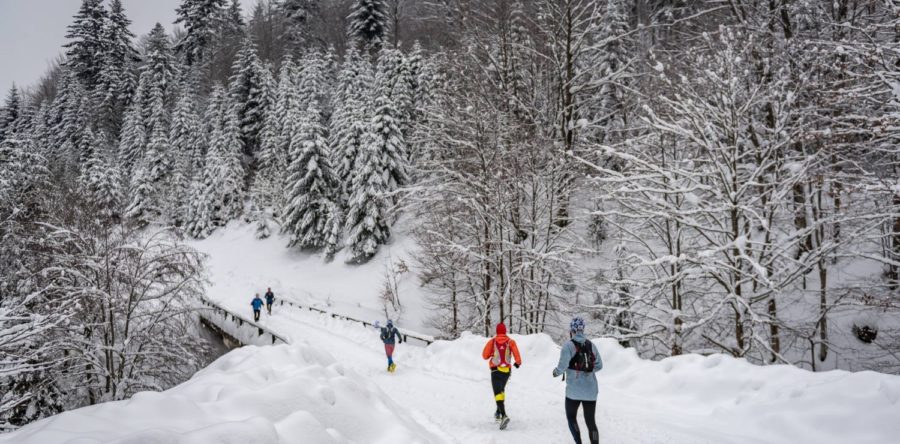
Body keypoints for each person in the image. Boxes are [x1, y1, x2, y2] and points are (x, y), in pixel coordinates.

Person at [552, 317, 603, 444]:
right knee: (591, 422)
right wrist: (588, 372)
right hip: (591, 390)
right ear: (582, 329)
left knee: (571, 417)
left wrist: (556, 372)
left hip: (573, 391)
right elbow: (599, 365)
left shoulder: (568, 346)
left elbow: (562, 366)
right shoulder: (591, 345)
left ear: (572, 330)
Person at [481, 322, 521, 429]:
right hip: (506, 371)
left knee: (497, 393)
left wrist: (491, 354)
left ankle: (503, 415)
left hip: (495, 371)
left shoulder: (492, 341)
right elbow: (517, 354)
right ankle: (498, 413)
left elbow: (484, 355)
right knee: (501, 390)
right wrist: (517, 362)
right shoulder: (510, 341)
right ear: (505, 331)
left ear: (497, 331)